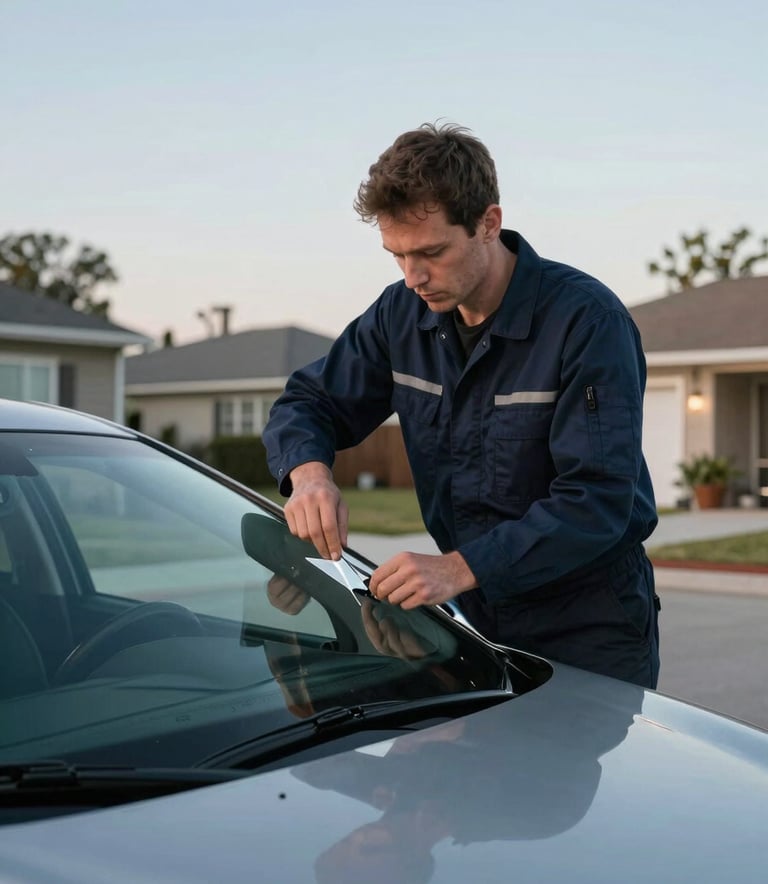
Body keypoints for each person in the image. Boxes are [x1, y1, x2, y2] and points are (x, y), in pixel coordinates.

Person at [263, 122, 660, 688]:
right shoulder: (398, 317)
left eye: (431, 252)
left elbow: (597, 500)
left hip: (589, 622)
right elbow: (309, 400)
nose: (413, 276)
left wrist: (456, 568)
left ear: (488, 224)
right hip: (475, 615)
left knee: (568, 777)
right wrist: (308, 476)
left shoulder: (587, 323)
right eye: (396, 255)